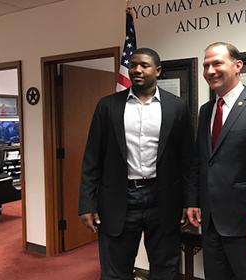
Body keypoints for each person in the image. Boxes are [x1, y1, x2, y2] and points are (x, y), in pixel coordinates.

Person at [78, 48, 193, 280]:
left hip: (163, 200)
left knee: (165, 270)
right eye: (133, 65)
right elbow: (92, 158)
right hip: (120, 199)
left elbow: (188, 160)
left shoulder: (176, 107)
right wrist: (87, 203)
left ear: (158, 71)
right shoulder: (107, 106)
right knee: (115, 272)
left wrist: (190, 201)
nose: (137, 70)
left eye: (144, 65)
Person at [186, 42, 246, 280]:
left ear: (237, 65)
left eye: (217, 63)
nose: (210, 71)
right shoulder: (206, 110)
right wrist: (193, 200)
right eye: (206, 65)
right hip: (210, 224)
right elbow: (202, 161)